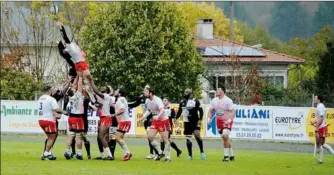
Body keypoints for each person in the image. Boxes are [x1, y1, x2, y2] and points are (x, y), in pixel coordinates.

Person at [87, 75, 114, 160]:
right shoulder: (101, 98)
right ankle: (104, 155)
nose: (101, 89)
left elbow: (97, 92)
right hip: (102, 118)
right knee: (101, 137)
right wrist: (87, 89)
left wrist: (91, 81)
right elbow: (93, 98)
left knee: (101, 136)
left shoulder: (106, 96)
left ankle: (110, 155)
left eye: (103, 88)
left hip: (106, 118)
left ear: (106, 91)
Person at [38, 85, 68, 160]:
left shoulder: (40, 98)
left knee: (49, 137)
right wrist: (64, 112)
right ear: (49, 90)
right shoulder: (51, 99)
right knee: (52, 137)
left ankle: (48, 153)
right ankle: (45, 154)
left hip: (41, 120)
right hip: (48, 120)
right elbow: (56, 109)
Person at [128, 85, 158, 159]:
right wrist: (126, 105)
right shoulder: (141, 97)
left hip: (152, 118)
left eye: (147, 90)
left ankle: (156, 153)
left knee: (150, 136)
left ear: (150, 92)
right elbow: (135, 104)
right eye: (145, 90)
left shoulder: (153, 98)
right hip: (145, 119)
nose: (145, 91)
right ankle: (154, 153)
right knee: (149, 137)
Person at [142, 87, 171, 162]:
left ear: (150, 93)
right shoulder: (147, 100)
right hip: (155, 121)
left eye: (146, 92)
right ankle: (160, 153)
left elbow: (162, 110)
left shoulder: (157, 100)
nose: (144, 93)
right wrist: (143, 117)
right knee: (149, 137)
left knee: (165, 139)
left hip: (163, 121)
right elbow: (149, 110)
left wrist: (158, 116)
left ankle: (168, 157)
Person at [176, 88, 206, 160]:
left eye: (186, 93)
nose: (185, 94)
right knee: (188, 138)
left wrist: (200, 119)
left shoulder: (195, 101)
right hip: (187, 122)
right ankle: (190, 156)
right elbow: (179, 111)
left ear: (190, 94)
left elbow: (201, 111)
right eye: (184, 93)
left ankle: (202, 152)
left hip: (195, 121)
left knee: (197, 135)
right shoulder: (182, 102)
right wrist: (175, 118)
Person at [207, 87, 235, 162]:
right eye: (217, 90)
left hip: (226, 121)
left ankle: (226, 157)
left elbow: (233, 111)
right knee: (225, 138)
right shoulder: (214, 100)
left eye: (219, 90)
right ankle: (232, 155)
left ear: (223, 91)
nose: (217, 91)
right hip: (219, 122)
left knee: (225, 136)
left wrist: (229, 120)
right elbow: (210, 111)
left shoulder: (228, 100)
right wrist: (209, 119)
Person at [64, 72, 86, 160]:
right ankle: (79, 153)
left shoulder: (70, 96)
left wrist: (77, 74)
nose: (75, 88)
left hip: (71, 118)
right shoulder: (77, 95)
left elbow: (73, 85)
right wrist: (80, 77)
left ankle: (67, 151)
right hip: (77, 118)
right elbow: (79, 86)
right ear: (73, 92)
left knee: (71, 135)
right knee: (79, 136)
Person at [311, 95, 331, 164]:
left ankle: (320, 160)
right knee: (321, 144)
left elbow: (321, 118)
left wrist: (317, 127)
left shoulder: (320, 106)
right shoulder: (319, 106)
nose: (314, 99)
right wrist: (314, 122)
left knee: (319, 144)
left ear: (319, 100)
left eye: (316, 98)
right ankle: (320, 160)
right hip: (321, 127)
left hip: (321, 127)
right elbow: (319, 118)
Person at [113, 88, 133, 161]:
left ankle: (127, 153)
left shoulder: (120, 99)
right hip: (124, 121)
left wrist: (113, 115)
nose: (115, 92)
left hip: (124, 122)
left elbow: (122, 109)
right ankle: (127, 153)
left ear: (119, 93)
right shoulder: (122, 99)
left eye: (117, 91)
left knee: (117, 138)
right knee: (119, 138)